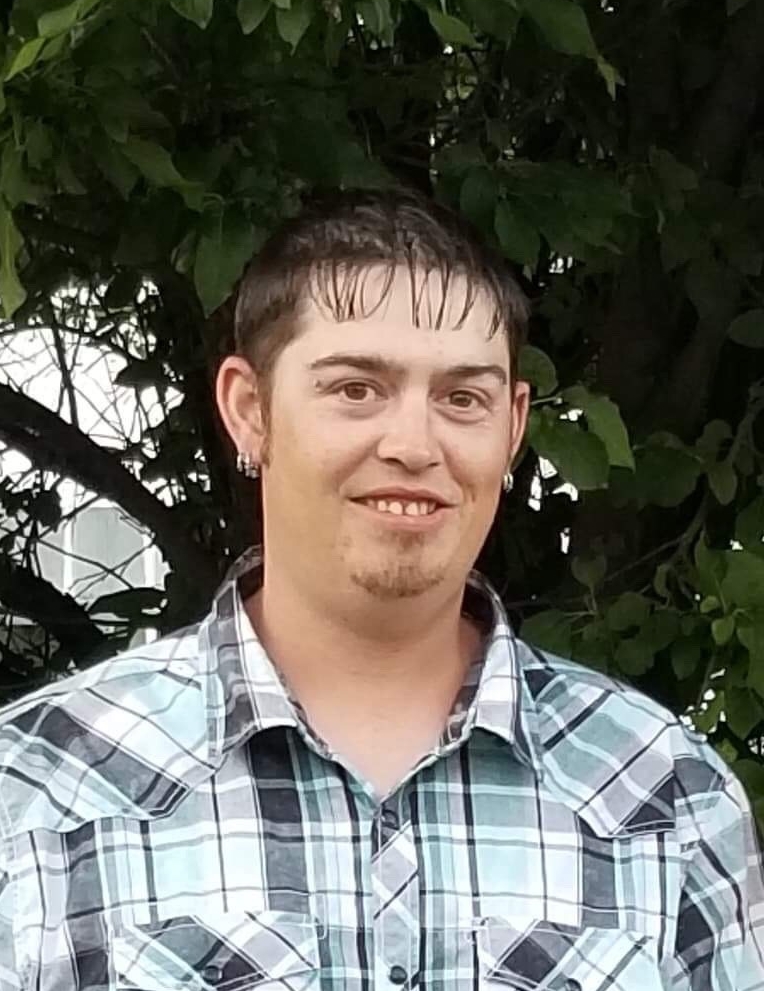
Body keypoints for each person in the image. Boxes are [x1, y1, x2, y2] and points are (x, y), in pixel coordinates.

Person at [0, 187, 762, 991]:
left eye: (462, 398)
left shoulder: (663, 795)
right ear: (249, 409)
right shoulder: (43, 788)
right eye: (356, 389)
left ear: (512, 426)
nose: (413, 445)